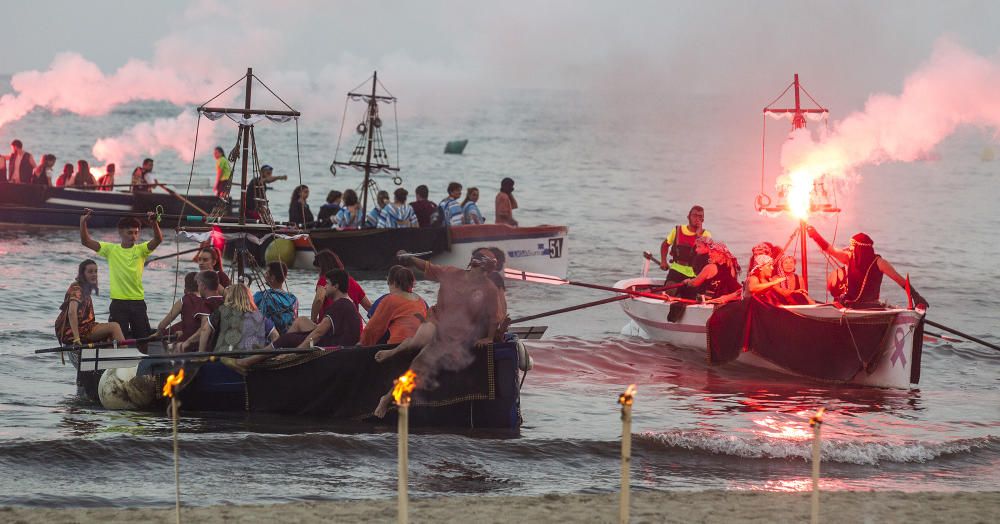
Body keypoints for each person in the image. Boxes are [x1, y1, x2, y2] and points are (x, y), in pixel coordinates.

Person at [372, 250, 504, 417]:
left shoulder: (489, 289)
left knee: (418, 364)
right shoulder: (451, 273)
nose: (484, 275)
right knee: (420, 340)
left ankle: (386, 398)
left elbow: (494, 317)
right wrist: (410, 258)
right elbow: (429, 267)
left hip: (454, 335)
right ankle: (397, 349)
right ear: (474, 265)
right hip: (435, 320)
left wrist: (490, 338)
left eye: (488, 272)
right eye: (482, 270)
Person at [79, 209, 162, 340]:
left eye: (136, 233)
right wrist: (83, 222)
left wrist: (154, 223)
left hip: (138, 302)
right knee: (117, 339)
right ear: (120, 232)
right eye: (130, 233)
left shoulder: (141, 250)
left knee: (143, 338)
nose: (133, 237)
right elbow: (86, 242)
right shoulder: (111, 249)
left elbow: (158, 239)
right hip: (118, 303)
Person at [807, 227, 929, 309]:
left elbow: (901, 281)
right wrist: (815, 235)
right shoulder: (852, 258)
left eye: (852, 246)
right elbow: (830, 250)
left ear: (860, 249)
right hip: (855, 305)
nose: (850, 248)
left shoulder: (878, 262)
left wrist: (917, 297)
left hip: (866, 306)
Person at [273, 269, 362, 349]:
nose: (325, 287)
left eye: (327, 283)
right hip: (335, 340)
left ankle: (269, 355)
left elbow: (318, 334)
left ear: (336, 286)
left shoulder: (339, 305)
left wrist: (295, 353)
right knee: (301, 321)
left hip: (330, 348)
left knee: (286, 339)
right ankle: (279, 350)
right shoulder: (349, 302)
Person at [54, 259, 126, 345]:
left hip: (85, 328)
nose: (94, 274)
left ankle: (111, 354)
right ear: (82, 274)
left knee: (110, 333)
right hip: (72, 332)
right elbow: (71, 312)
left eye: (96, 271)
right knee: (114, 326)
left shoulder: (85, 289)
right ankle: (124, 353)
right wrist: (76, 339)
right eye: (90, 272)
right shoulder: (77, 288)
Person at [199, 283, 279, 353]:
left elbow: (205, 330)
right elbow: (275, 335)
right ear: (249, 297)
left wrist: (201, 353)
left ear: (230, 296)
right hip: (251, 360)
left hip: (223, 358)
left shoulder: (221, 311)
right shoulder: (259, 316)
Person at [360, 265, 427, 345]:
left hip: (396, 348)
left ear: (393, 282)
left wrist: (361, 345)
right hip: (420, 346)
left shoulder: (390, 300)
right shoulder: (421, 301)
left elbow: (372, 330)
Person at [659, 205, 710, 297]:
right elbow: (665, 245)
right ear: (688, 217)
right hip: (676, 270)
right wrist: (663, 261)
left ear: (703, 220)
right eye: (694, 215)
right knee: (670, 291)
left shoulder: (706, 234)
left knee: (690, 298)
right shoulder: (677, 230)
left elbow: (706, 255)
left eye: (700, 216)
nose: (697, 218)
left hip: (694, 274)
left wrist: (698, 235)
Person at [307, 250, 370, 322]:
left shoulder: (325, 280)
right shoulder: (351, 281)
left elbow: (318, 300)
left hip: (331, 326)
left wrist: (313, 320)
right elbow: (368, 306)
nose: (318, 273)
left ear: (323, 267)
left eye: (319, 270)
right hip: (355, 327)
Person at [681, 239, 742, 304]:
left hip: (713, 300)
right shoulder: (731, 266)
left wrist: (687, 282)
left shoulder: (710, 267)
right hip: (730, 299)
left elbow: (695, 283)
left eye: (712, 252)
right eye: (709, 252)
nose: (709, 254)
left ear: (721, 254)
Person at [156, 272, 205, 344]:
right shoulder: (207, 301)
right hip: (201, 339)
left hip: (186, 340)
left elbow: (162, 325)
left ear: (185, 288)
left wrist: (158, 334)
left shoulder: (183, 300)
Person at [253, 261, 299, 335]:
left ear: (272, 278)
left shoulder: (262, 295)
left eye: (267, 273)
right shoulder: (293, 299)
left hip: (269, 337)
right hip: (288, 336)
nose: (264, 275)